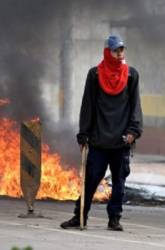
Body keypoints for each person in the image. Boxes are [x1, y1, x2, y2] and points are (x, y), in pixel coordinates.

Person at [60, 35, 143, 231]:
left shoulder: (131, 75)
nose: (119, 53)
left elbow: (135, 107)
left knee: (119, 183)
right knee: (90, 181)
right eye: (115, 50)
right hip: (98, 140)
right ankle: (80, 216)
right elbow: (87, 105)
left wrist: (133, 131)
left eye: (122, 49)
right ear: (107, 51)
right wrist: (83, 134)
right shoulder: (95, 75)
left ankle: (114, 219)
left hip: (121, 140)